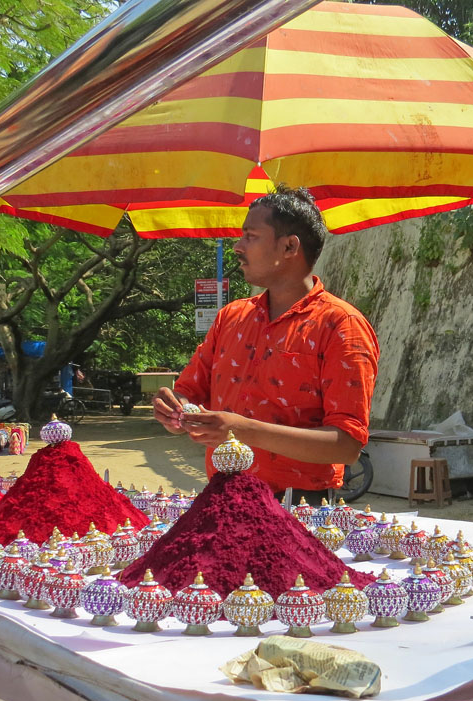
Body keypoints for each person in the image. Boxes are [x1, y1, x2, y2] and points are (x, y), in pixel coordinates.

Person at [152, 186, 379, 502]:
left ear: (289, 247)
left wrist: (241, 429)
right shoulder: (230, 318)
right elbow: (189, 391)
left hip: (300, 509)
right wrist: (173, 409)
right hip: (224, 499)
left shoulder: (341, 325)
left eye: (251, 236)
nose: (237, 246)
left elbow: (347, 446)